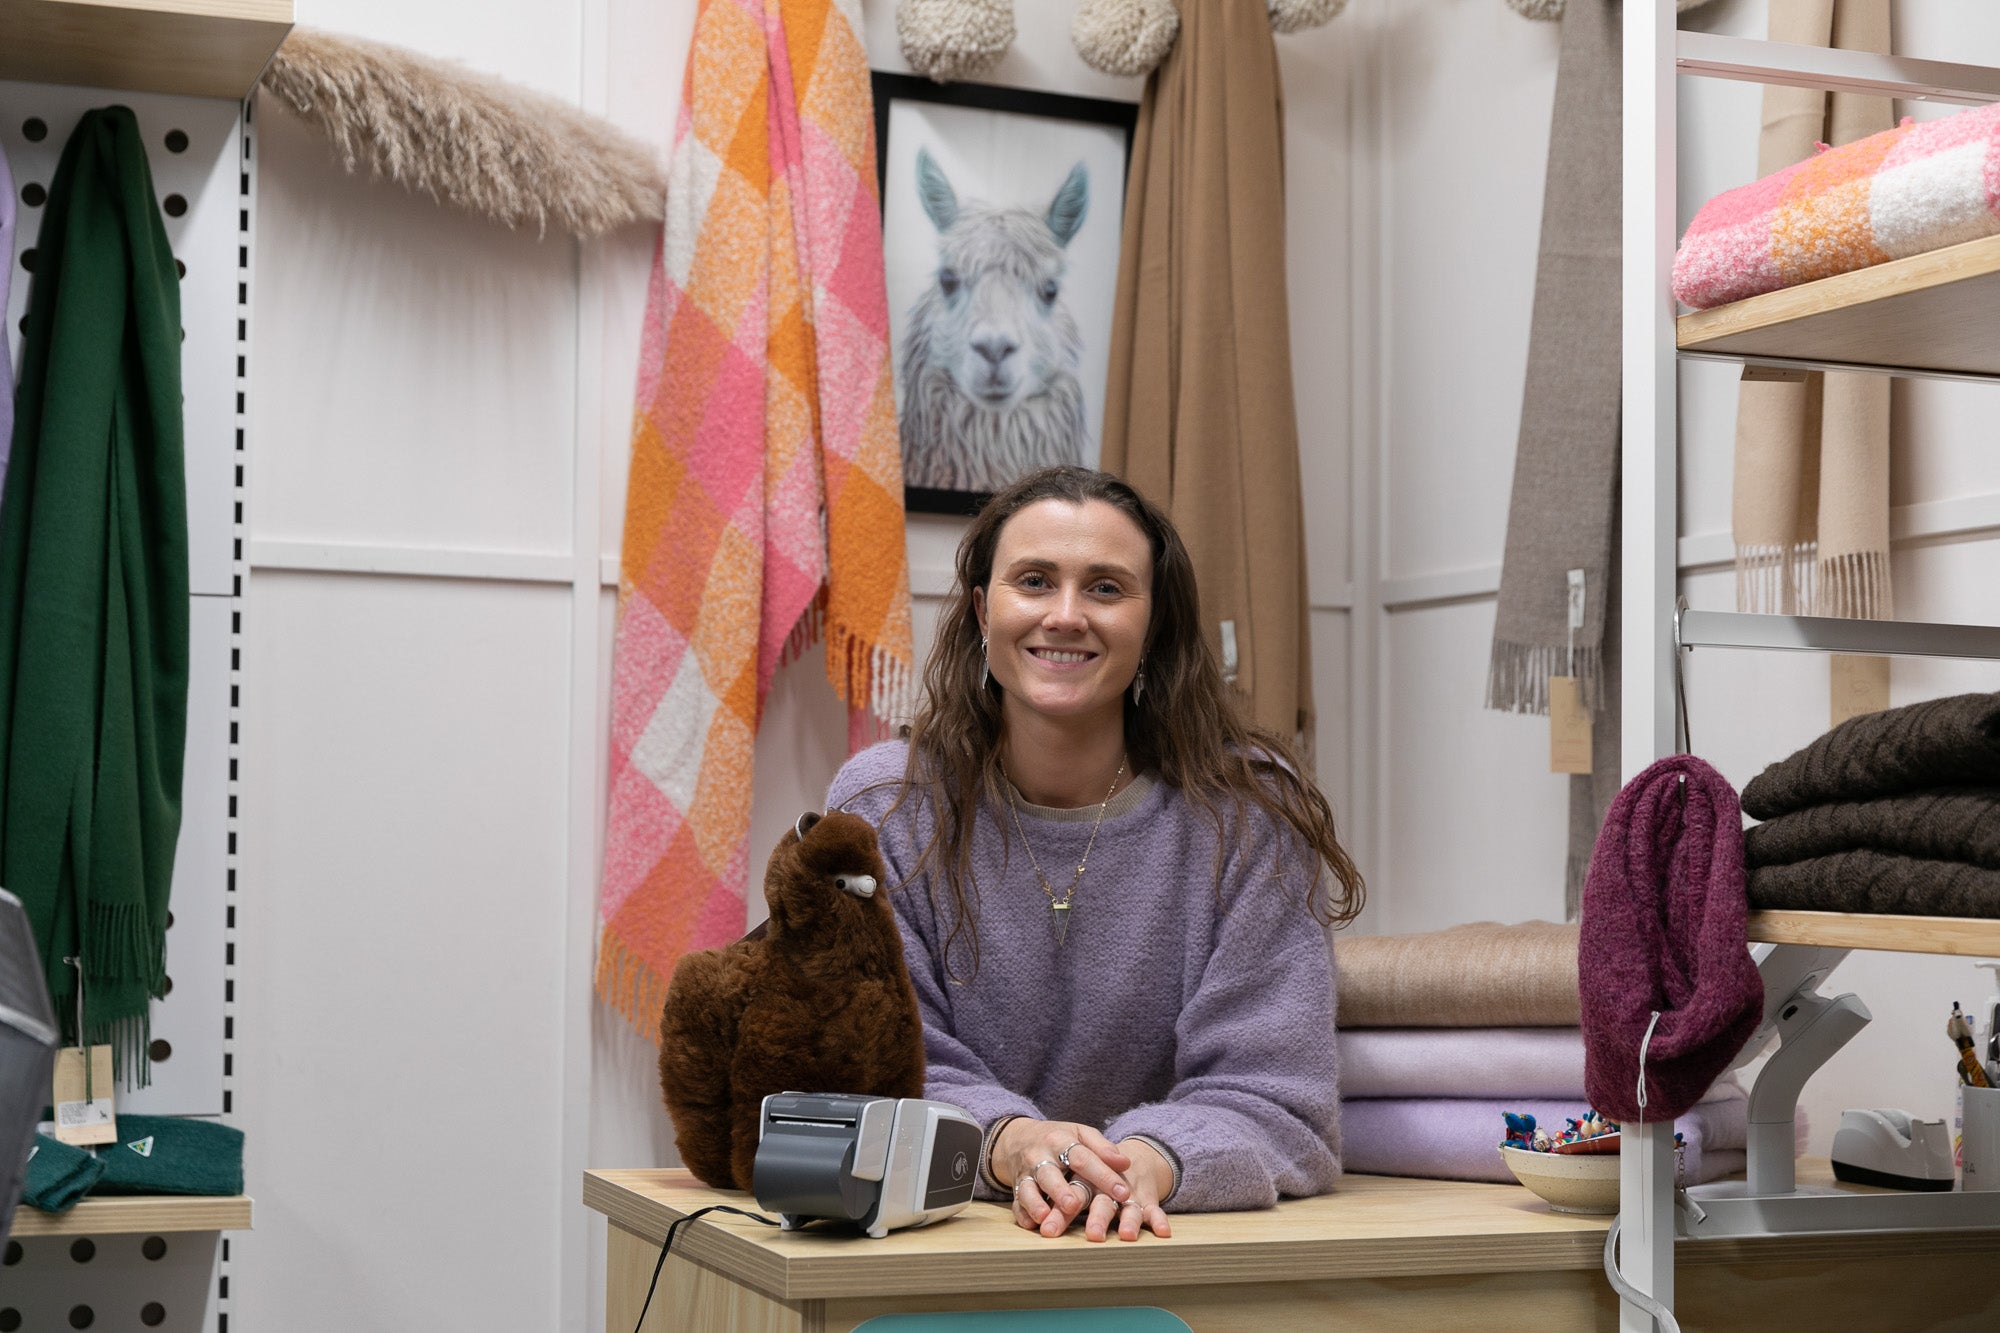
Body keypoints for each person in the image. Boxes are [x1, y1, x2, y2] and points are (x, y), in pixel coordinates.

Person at [827, 467, 1362, 1242]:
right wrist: (1013, 1143)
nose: (1067, 614)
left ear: (1154, 625)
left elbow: (1280, 1098)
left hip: (1167, 1243)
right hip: (939, 1238)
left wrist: (1154, 1159)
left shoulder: (1249, 815)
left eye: (1107, 588)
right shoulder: (884, 808)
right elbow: (874, 1069)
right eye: (1035, 580)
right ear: (983, 610)